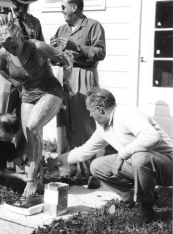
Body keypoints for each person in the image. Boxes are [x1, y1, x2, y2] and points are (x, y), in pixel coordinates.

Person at [58, 88, 173, 223]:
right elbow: (83, 152)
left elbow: (152, 137)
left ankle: (145, 211)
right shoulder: (104, 128)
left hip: (167, 165)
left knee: (139, 157)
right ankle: (140, 197)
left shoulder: (127, 114)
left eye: (90, 110)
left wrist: (122, 154)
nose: (89, 115)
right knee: (97, 166)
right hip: (143, 167)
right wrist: (57, 161)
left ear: (99, 109)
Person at [0, 21, 72, 198]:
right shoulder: (4, 52)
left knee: (32, 126)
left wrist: (66, 84)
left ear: (21, 39)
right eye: (8, 48)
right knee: (32, 137)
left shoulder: (37, 47)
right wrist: (17, 84)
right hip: (28, 94)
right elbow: (1, 70)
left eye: (14, 46)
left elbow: (67, 60)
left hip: (50, 90)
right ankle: (38, 181)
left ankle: (30, 180)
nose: (12, 51)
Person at [50, 0, 106, 183]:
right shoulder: (61, 29)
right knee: (63, 122)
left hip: (84, 74)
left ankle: (91, 171)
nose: (62, 11)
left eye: (63, 7)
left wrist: (77, 47)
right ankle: (66, 170)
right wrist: (52, 52)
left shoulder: (93, 26)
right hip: (64, 75)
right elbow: (54, 57)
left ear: (74, 7)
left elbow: (100, 52)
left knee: (84, 123)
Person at [0, 0, 44, 114]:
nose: (22, 9)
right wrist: (9, 42)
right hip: (6, 70)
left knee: (26, 112)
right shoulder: (2, 18)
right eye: (18, 5)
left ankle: (20, 135)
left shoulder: (34, 22)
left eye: (25, 5)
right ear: (12, 1)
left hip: (27, 72)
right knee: (2, 111)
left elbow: (40, 46)